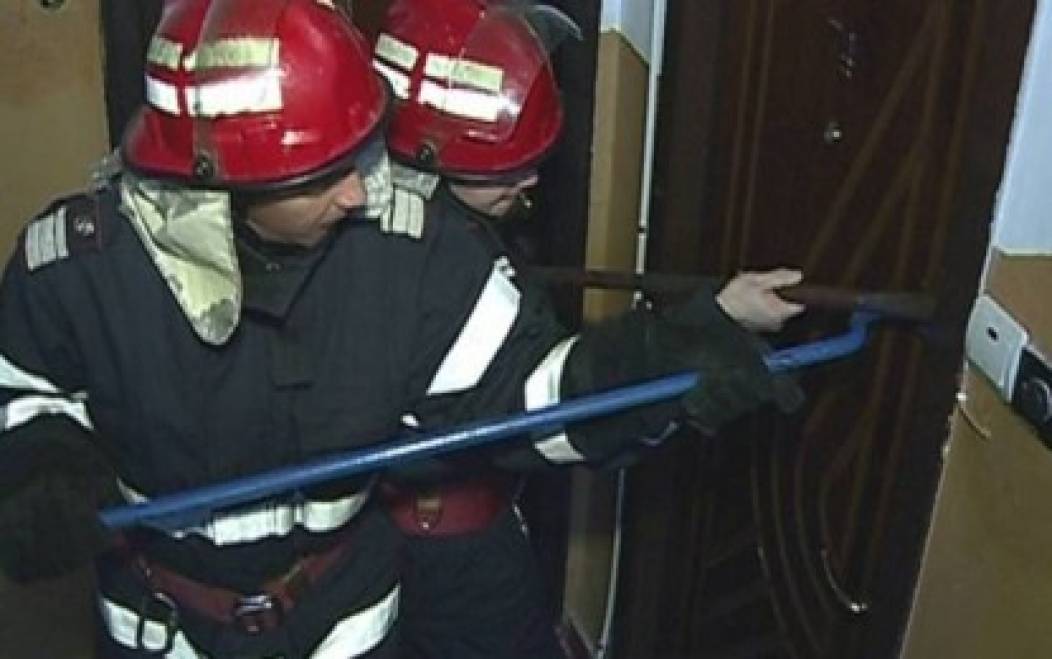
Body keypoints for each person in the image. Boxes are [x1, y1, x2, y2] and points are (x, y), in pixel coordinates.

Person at [0, 0, 798, 657]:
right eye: (324, 173)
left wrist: (669, 361)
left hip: (348, 627)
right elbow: (22, 391)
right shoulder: (73, 268)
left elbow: (535, 393)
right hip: (162, 630)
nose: (360, 191)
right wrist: (38, 463)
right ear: (221, 179)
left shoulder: (415, 256)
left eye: (360, 151)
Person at [368, 1, 806, 657]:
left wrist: (721, 308)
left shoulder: (361, 209)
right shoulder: (448, 270)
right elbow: (554, 400)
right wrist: (692, 349)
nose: (531, 178)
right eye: (506, 166)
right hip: (452, 556)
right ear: (431, 150)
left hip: (386, 539)